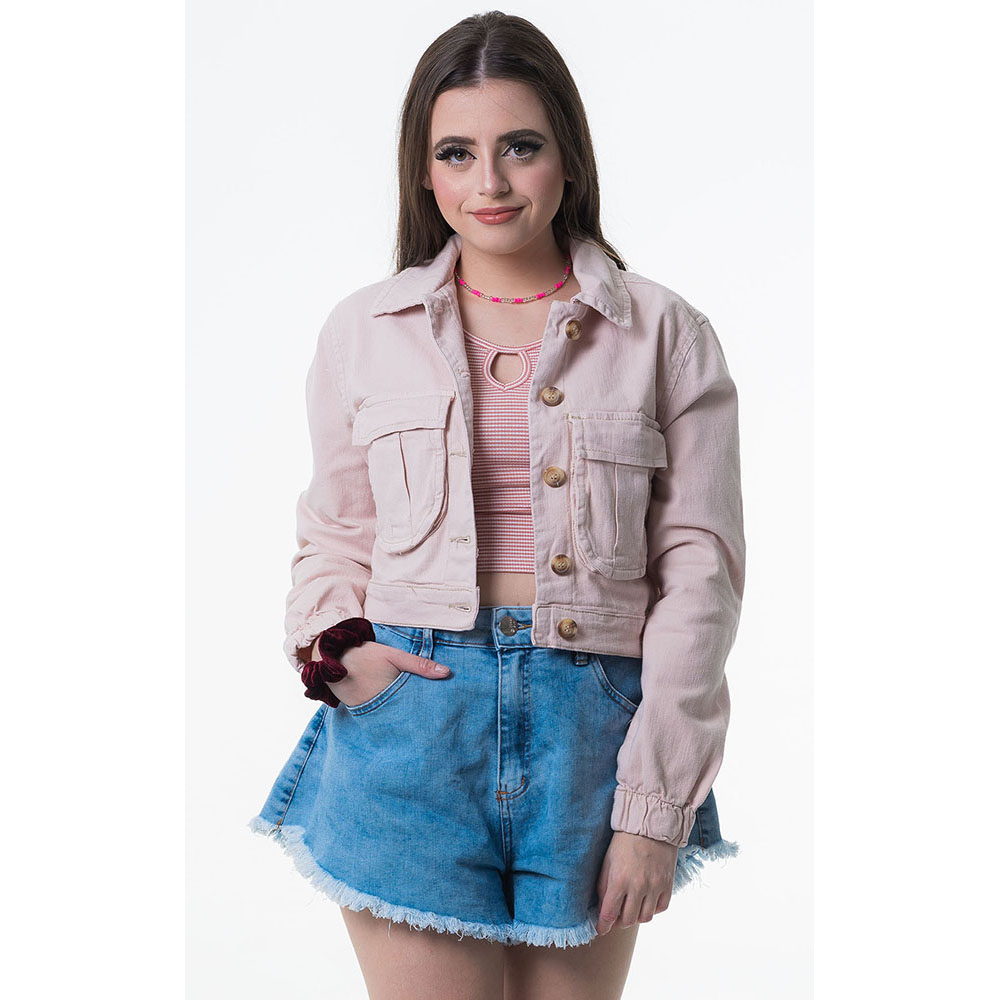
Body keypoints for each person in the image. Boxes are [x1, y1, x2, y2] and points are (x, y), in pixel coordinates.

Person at [248, 11, 745, 999]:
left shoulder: (664, 333)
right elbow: (334, 531)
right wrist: (340, 654)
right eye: (456, 153)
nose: (490, 182)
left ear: (568, 156)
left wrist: (655, 804)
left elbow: (701, 574)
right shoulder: (364, 329)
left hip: (596, 733)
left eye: (520, 146)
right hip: (412, 720)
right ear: (423, 170)